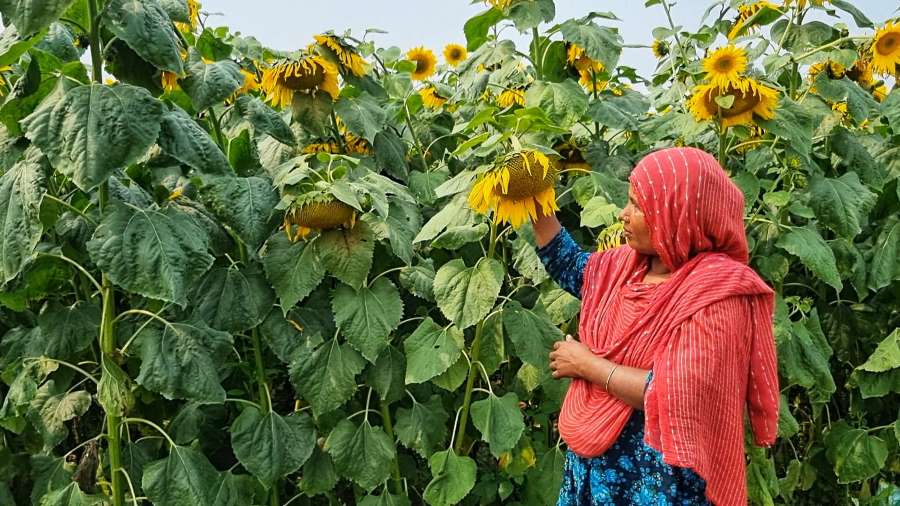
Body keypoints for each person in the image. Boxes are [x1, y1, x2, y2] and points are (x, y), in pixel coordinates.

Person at [532, 147, 779, 506]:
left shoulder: (717, 293)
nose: (623, 214)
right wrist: (532, 197)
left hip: (660, 480)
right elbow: (571, 266)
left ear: (677, 215)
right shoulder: (625, 268)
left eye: (638, 205)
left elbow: (674, 391)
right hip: (594, 470)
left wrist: (585, 365)